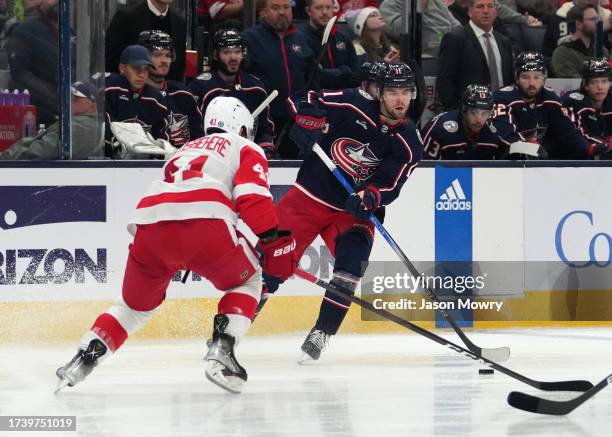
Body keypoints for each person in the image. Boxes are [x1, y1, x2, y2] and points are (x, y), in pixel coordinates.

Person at [55, 96, 297, 395]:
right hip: (204, 224)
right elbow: (252, 199)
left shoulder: (183, 150)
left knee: (133, 307)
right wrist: (274, 242)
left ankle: (85, 357)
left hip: (150, 226)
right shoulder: (247, 147)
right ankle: (222, 348)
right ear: (243, 128)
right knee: (250, 282)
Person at [258, 63, 423, 362]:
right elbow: (299, 99)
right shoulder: (352, 104)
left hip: (352, 211)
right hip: (309, 197)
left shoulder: (409, 141)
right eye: (393, 92)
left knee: (352, 265)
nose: (400, 99)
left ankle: (322, 332)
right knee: (271, 261)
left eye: (406, 92)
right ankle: (233, 325)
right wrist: (308, 119)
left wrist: (371, 195)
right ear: (379, 93)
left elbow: (391, 186)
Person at [492, 51, 608, 158]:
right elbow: (504, 135)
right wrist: (528, 147)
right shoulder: (503, 98)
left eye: (537, 77)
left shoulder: (549, 98)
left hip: (539, 159)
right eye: (525, 77)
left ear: (544, 78)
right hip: (506, 162)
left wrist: (588, 148)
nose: (532, 83)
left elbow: (566, 131)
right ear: (516, 78)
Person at [243, 0, 316, 158]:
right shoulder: (250, 38)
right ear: (264, 12)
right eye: (275, 8)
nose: (282, 12)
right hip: (265, 122)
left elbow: (312, 78)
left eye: (286, 7)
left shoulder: (302, 39)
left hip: (298, 121)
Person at [189, 28, 276, 157]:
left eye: (237, 52)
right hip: (211, 155)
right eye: (227, 52)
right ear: (215, 55)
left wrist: (265, 149)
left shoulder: (255, 87)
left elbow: (265, 129)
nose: (233, 57)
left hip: (248, 155)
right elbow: (194, 129)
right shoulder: (201, 86)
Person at [436, 0, 514, 111]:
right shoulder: (455, 39)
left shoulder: (504, 41)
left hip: (501, 111)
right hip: (468, 113)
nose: (486, 11)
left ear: (495, 11)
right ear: (470, 11)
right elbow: (444, 81)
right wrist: (456, 112)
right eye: (480, 6)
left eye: (490, 6)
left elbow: (509, 80)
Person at [0, 81, 104, 160]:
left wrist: (6, 156)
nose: (69, 101)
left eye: (75, 99)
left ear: (93, 106)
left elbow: (43, 151)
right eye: (68, 97)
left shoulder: (81, 126)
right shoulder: (76, 122)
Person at [137, 30, 204, 148]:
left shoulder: (184, 95)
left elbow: (199, 140)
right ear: (143, 57)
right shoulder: (132, 95)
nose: (164, 61)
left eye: (168, 55)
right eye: (157, 55)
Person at [105, 45, 171, 158]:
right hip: (107, 162)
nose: (142, 74)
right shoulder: (110, 88)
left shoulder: (156, 99)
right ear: (122, 68)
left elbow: (163, 136)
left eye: (146, 69)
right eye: (136, 69)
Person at [5, 0, 58, 126]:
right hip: (40, 116)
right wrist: (57, 99)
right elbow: (21, 74)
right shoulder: (25, 30)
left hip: (70, 112)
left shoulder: (71, 32)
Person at [105, 0, 186, 81]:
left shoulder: (179, 22)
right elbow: (111, 62)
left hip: (169, 89)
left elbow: (179, 66)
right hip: (129, 89)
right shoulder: (126, 17)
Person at [422, 84, 509, 159]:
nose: (479, 120)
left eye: (484, 114)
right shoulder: (440, 130)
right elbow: (423, 168)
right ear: (464, 111)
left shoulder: (492, 135)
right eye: (473, 113)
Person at [300, 0, 360, 90]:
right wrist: (345, 71)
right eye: (318, 8)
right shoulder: (301, 39)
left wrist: (330, 74)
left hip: (345, 98)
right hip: (316, 99)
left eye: (328, 7)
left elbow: (356, 74)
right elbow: (314, 77)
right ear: (308, 11)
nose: (324, 12)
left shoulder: (343, 38)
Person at [562, 58, 612, 157]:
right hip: (571, 160)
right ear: (586, 85)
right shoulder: (573, 101)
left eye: (604, 81)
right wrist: (608, 143)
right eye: (594, 82)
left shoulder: (609, 101)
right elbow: (576, 137)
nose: (600, 87)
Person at [381, 0, 461, 57]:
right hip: (418, 62)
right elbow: (400, 31)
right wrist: (419, 5)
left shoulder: (437, 3)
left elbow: (458, 29)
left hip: (446, 58)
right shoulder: (390, 4)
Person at [551, 5, 609, 78]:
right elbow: (574, 84)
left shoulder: (602, 51)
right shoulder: (562, 53)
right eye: (593, 19)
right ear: (578, 24)